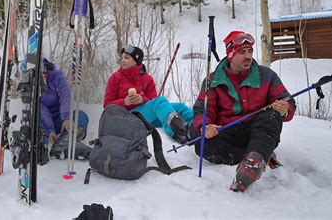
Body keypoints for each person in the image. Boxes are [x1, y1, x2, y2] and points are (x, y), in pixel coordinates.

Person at [191, 30, 296, 192]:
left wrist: (285, 109)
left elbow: (288, 101)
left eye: (250, 51)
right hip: (229, 132)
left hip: (260, 130)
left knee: (271, 114)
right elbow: (202, 109)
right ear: (231, 55)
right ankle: (258, 157)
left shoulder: (267, 75)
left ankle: (256, 158)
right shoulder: (212, 80)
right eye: (241, 52)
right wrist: (205, 125)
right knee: (201, 143)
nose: (248, 56)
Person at [103, 45, 193, 143]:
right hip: (126, 117)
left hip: (146, 117)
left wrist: (142, 99)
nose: (122, 60)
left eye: (127, 58)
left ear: (136, 60)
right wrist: (124, 102)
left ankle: (197, 127)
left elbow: (153, 102)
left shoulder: (147, 79)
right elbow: (107, 105)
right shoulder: (115, 77)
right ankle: (178, 133)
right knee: (160, 101)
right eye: (122, 58)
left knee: (180, 107)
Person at [40, 58, 89, 144]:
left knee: (81, 115)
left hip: (61, 119)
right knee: (37, 122)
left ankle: (69, 139)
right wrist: (50, 130)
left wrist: (66, 118)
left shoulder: (57, 76)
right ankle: (44, 141)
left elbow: (65, 96)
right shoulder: (33, 86)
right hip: (45, 123)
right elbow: (42, 110)